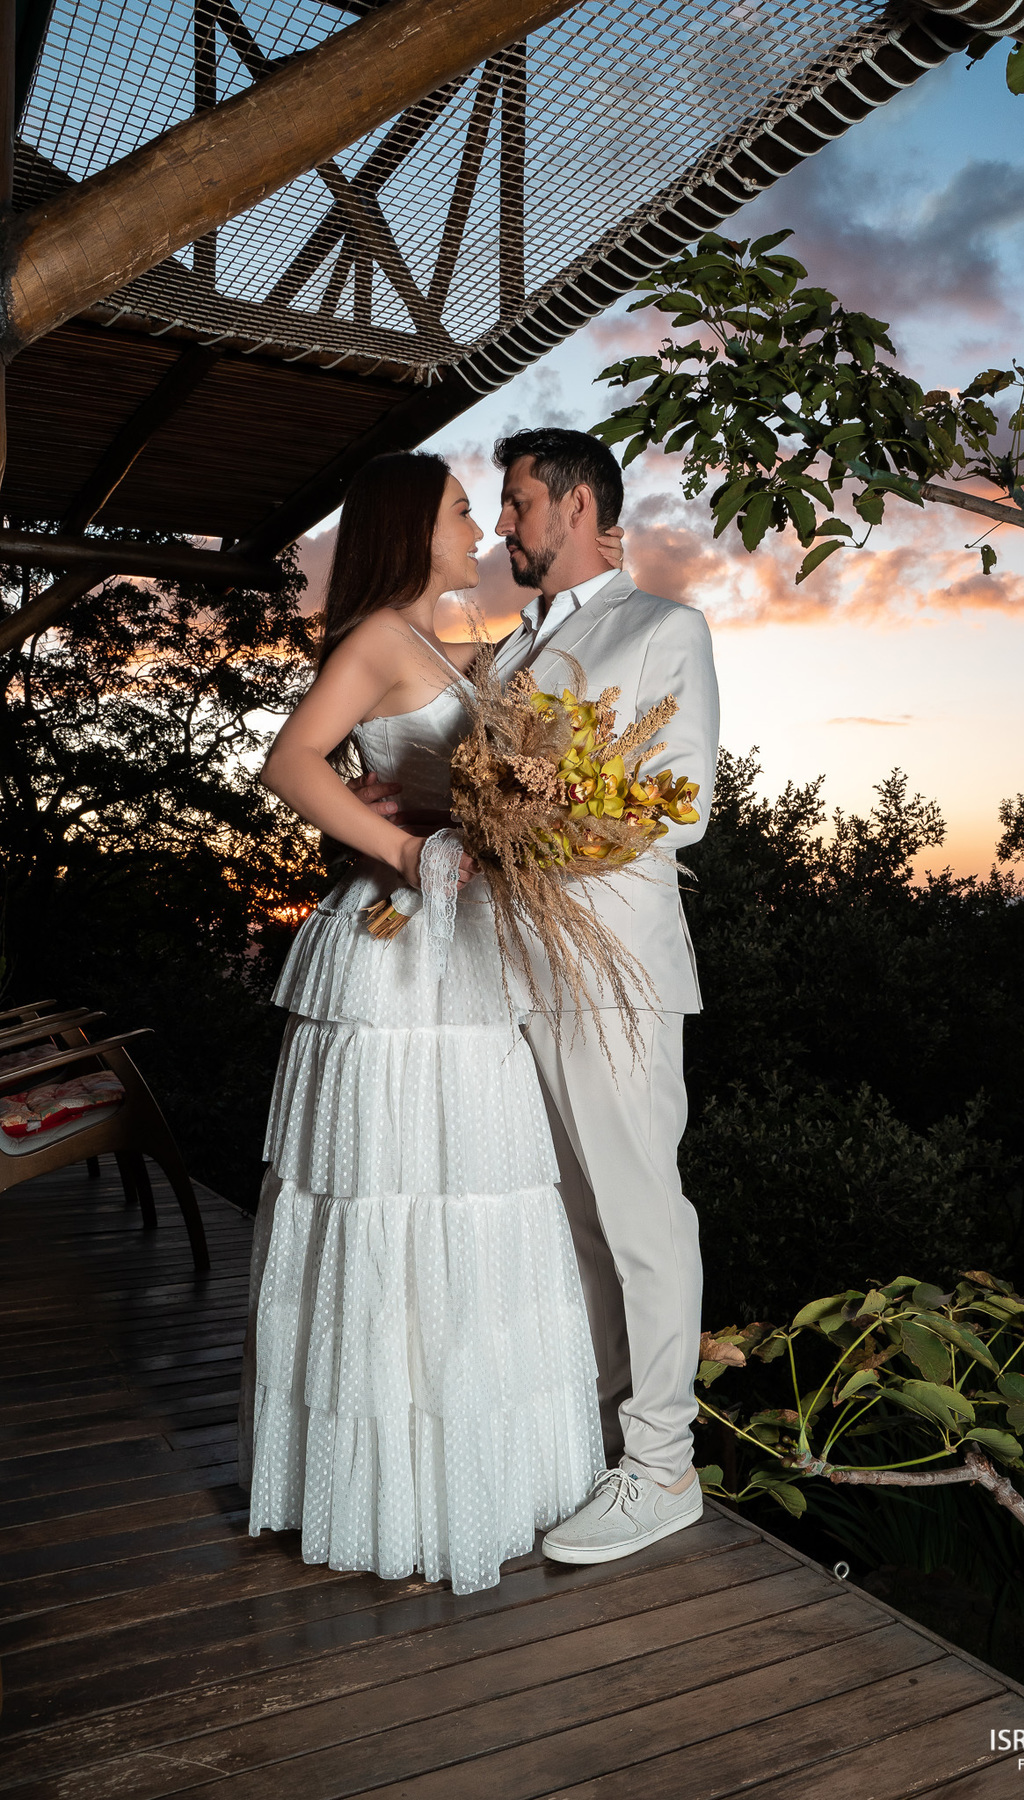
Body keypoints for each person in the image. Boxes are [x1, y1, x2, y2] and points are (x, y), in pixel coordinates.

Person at [237, 450, 608, 1596]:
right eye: (463, 509)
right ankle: (392, 1490)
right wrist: (407, 849)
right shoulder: (381, 643)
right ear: (414, 526)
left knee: (475, 1206)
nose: (483, 527)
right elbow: (289, 760)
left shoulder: (452, 647)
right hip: (399, 960)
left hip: (469, 958)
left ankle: (475, 1476)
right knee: (395, 1205)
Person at [490, 429, 721, 1566]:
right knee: (577, 1223)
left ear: (577, 506)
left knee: (640, 1216)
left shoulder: (664, 629)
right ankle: (606, 1439)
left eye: (520, 503)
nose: (504, 526)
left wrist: (536, 826)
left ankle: (665, 1465)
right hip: (520, 970)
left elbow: (683, 805)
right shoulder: (496, 660)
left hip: (620, 966)